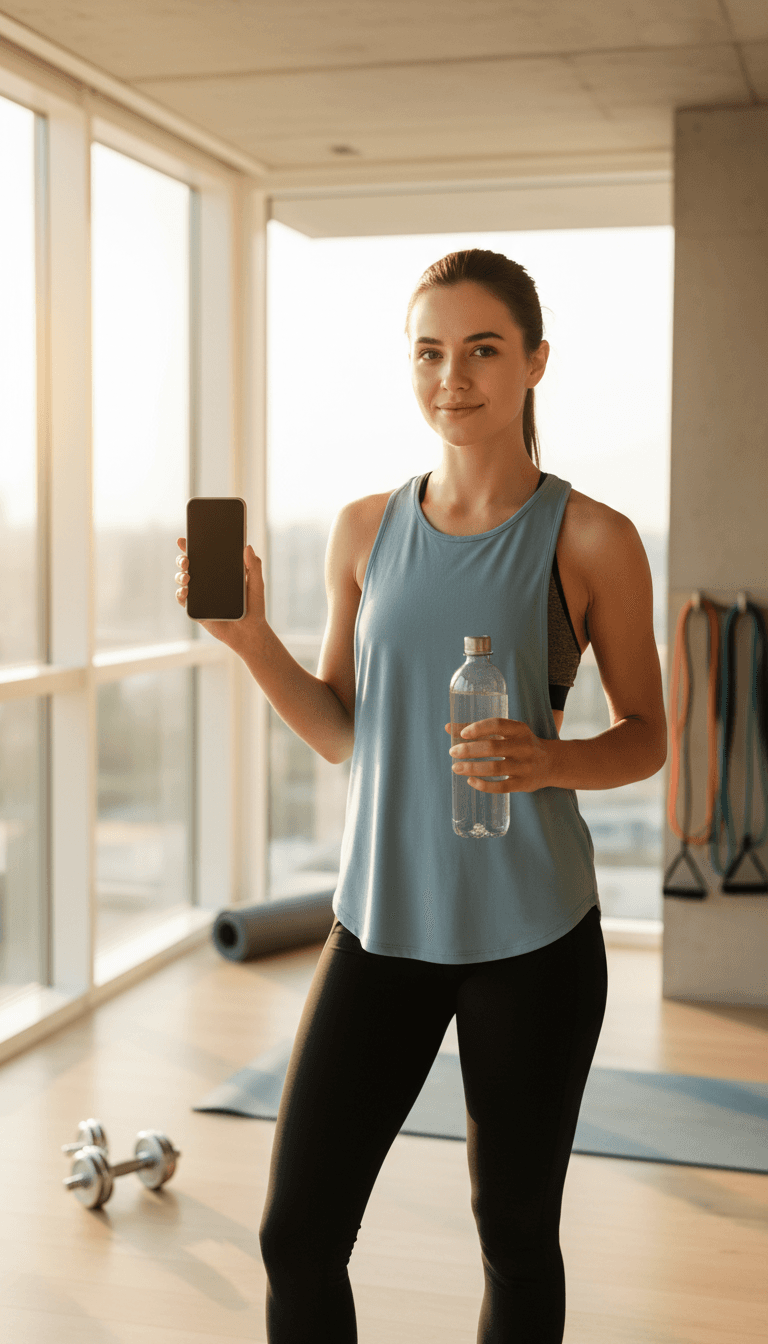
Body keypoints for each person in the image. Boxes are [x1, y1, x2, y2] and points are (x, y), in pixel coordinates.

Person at [174, 248, 667, 1343]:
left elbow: (647, 738)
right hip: (380, 926)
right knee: (297, 1234)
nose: (455, 375)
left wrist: (549, 761)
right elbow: (349, 733)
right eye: (431, 352)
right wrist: (252, 640)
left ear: (536, 362)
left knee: (516, 1237)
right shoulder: (366, 529)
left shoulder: (590, 537)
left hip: (533, 938)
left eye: (483, 349)